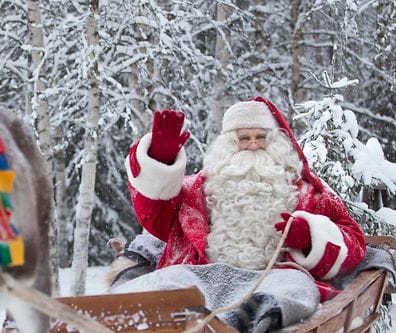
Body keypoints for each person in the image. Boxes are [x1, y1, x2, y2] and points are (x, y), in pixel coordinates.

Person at [124, 96, 366, 301]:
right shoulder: (198, 189)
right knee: (160, 287)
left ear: (275, 142)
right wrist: (160, 159)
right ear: (228, 144)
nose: (252, 145)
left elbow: (354, 244)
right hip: (204, 281)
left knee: (294, 290)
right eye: (243, 138)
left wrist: (311, 238)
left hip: (275, 283)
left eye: (261, 137)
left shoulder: (310, 193)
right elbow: (155, 216)